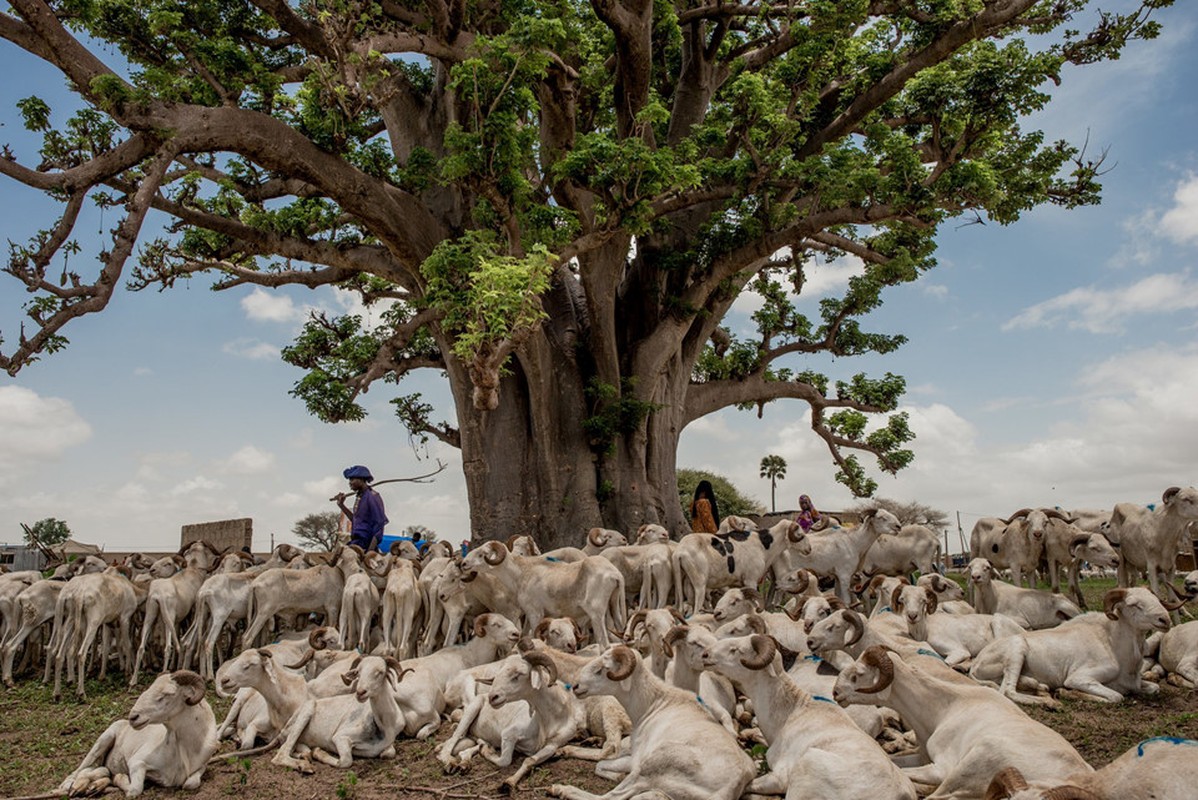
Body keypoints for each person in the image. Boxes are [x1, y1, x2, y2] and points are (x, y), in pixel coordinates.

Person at [333, 465, 388, 552]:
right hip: (356, 543)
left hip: (365, 545)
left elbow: (379, 526)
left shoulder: (372, 497)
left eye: (352, 479)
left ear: (362, 479)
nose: (350, 483)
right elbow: (356, 520)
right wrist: (341, 505)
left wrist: (369, 552)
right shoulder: (360, 497)